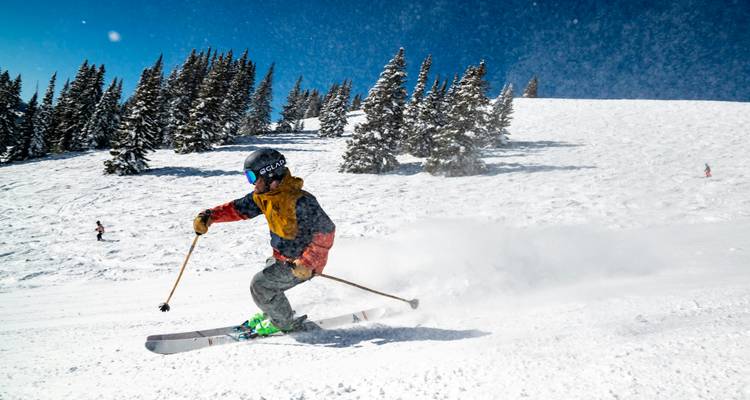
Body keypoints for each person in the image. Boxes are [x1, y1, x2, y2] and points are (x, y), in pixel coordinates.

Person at [193, 148, 335, 335]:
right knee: (267, 284)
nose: (252, 184)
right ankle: (274, 312)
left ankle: (285, 322)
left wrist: (307, 263)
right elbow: (238, 209)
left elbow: (326, 231)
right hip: (281, 256)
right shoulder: (264, 197)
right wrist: (210, 216)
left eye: (252, 177)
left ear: (269, 176)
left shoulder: (300, 201)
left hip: (302, 263)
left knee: (261, 286)